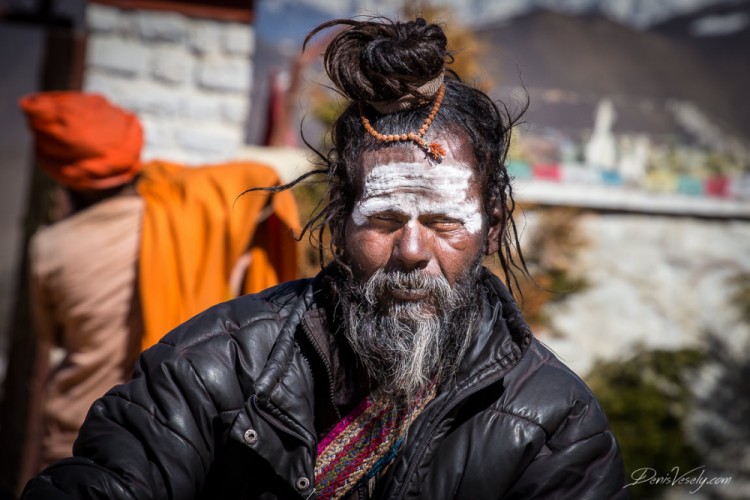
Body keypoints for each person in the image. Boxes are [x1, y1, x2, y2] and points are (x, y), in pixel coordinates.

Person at [21, 17, 626, 499]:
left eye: (444, 223)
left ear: (491, 226)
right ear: (339, 224)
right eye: (384, 221)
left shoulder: (554, 426)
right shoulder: (212, 366)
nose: (412, 251)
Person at [15, 92, 299, 484]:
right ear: (130, 150)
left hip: (74, 430)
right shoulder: (190, 210)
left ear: (61, 172)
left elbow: (53, 335)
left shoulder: (51, 249)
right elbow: (261, 181)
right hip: (171, 428)